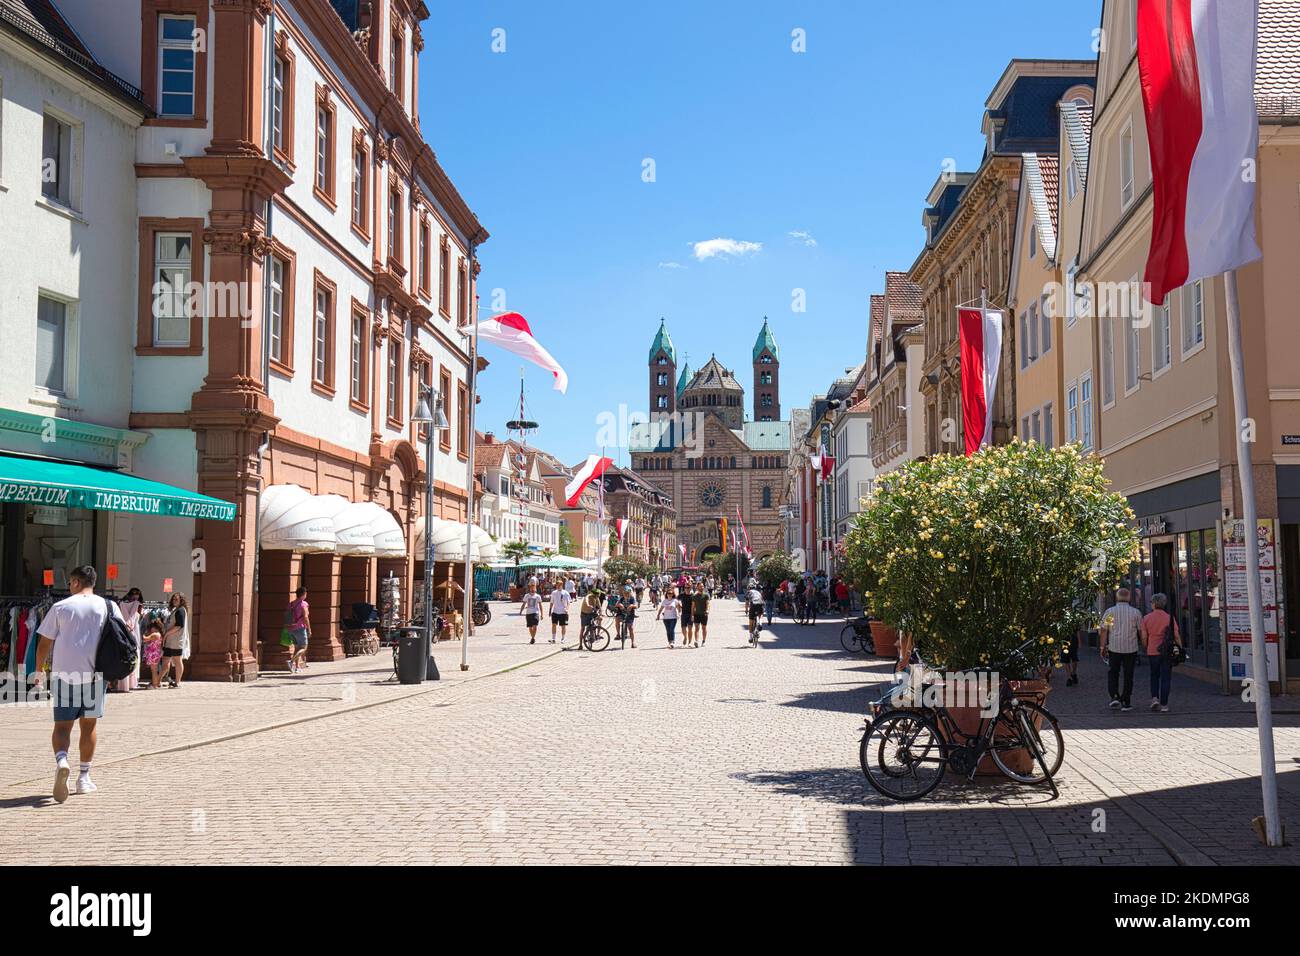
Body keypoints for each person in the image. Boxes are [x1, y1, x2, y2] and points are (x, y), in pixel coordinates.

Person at [31, 565, 125, 802]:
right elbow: (124, 636)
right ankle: (84, 778)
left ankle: (62, 760)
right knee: (89, 727)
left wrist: (38, 671)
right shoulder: (109, 606)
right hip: (95, 676)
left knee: (62, 727)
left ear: (75, 582)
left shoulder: (61, 607)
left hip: (65, 676)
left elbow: (44, 643)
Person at [1100, 587, 1143, 712]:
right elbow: (1141, 630)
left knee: (1113, 672)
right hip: (1131, 647)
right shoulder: (1136, 612)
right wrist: (1144, 644)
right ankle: (1126, 700)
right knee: (1128, 674)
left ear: (1117, 597)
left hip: (1115, 647)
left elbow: (1104, 630)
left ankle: (1114, 696)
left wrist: (1102, 646)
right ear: (1129, 598)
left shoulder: (1110, 612)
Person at [1141, 593, 1184, 712]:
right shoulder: (1169, 618)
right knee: (1166, 677)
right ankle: (1164, 704)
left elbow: (1144, 637)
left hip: (1152, 650)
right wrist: (1180, 648)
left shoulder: (1146, 618)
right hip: (1167, 651)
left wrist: (1145, 647)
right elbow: (1176, 635)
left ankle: (1155, 698)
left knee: (1154, 675)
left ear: (1154, 604)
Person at [158, 592, 192, 685]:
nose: (174, 601)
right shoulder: (175, 610)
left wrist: (167, 634)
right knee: (165, 660)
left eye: (176, 599)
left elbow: (179, 626)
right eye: (173, 599)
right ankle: (158, 681)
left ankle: (177, 682)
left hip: (176, 641)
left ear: (181, 600)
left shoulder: (181, 610)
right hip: (170, 641)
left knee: (177, 661)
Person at [115, 587, 144, 693]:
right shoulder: (127, 605)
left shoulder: (136, 605)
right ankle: (127, 682)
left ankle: (131, 682)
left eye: (137, 593)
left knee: (132, 655)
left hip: (131, 632)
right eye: (133, 593)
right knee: (127, 655)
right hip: (130, 632)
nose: (135, 595)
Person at [283, 587, 309, 675]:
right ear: (303, 594)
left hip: (291, 629)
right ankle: (291, 662)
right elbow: (305, 617)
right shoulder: (303, 604)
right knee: (304, 648)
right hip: (300, 628)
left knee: (297, 648)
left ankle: (297, 667)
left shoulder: (291, 604)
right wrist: (309, 629)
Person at [691, 583, 710, 648]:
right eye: (700, 586)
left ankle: (703, 641)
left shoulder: (706, 595)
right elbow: (693, 606)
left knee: (704, 628)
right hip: (696, 614)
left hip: (704, 614)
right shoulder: (694, 596)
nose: (702, 587)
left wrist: (707, 610)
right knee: (696, 628)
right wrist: (692, 615)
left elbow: (708, 604)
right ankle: (696, 641)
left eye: (702, 586)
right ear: (697, 587)